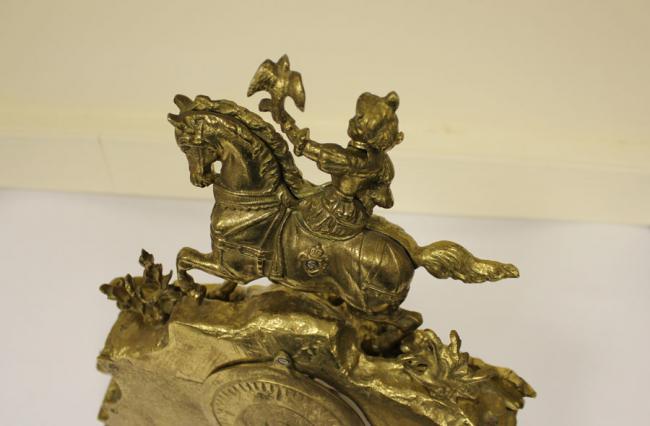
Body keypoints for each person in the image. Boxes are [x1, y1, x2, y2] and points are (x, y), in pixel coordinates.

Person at [279, 91, 404, 239]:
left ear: (360, 125)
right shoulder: (383, 161)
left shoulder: (349, 159)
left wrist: (286, 122)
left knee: (288, 214)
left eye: (358, 117)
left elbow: (310, 148)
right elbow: (386, 201)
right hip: (358, 214)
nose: (353, 119)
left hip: (333, 212)